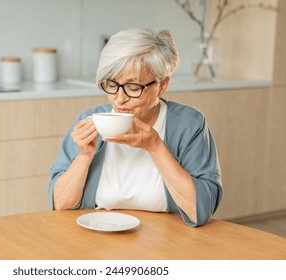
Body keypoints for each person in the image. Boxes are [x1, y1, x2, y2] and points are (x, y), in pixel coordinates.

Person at [48, 28, 223, 227]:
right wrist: (84, 156)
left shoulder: (189, 124)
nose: (120, 99)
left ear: (162, 85)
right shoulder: (90, 121)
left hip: (168, 240)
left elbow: (200, 211)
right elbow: (60, 205)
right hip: (98, 236)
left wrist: (155, 147)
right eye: (112, 84)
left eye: (133, 88)